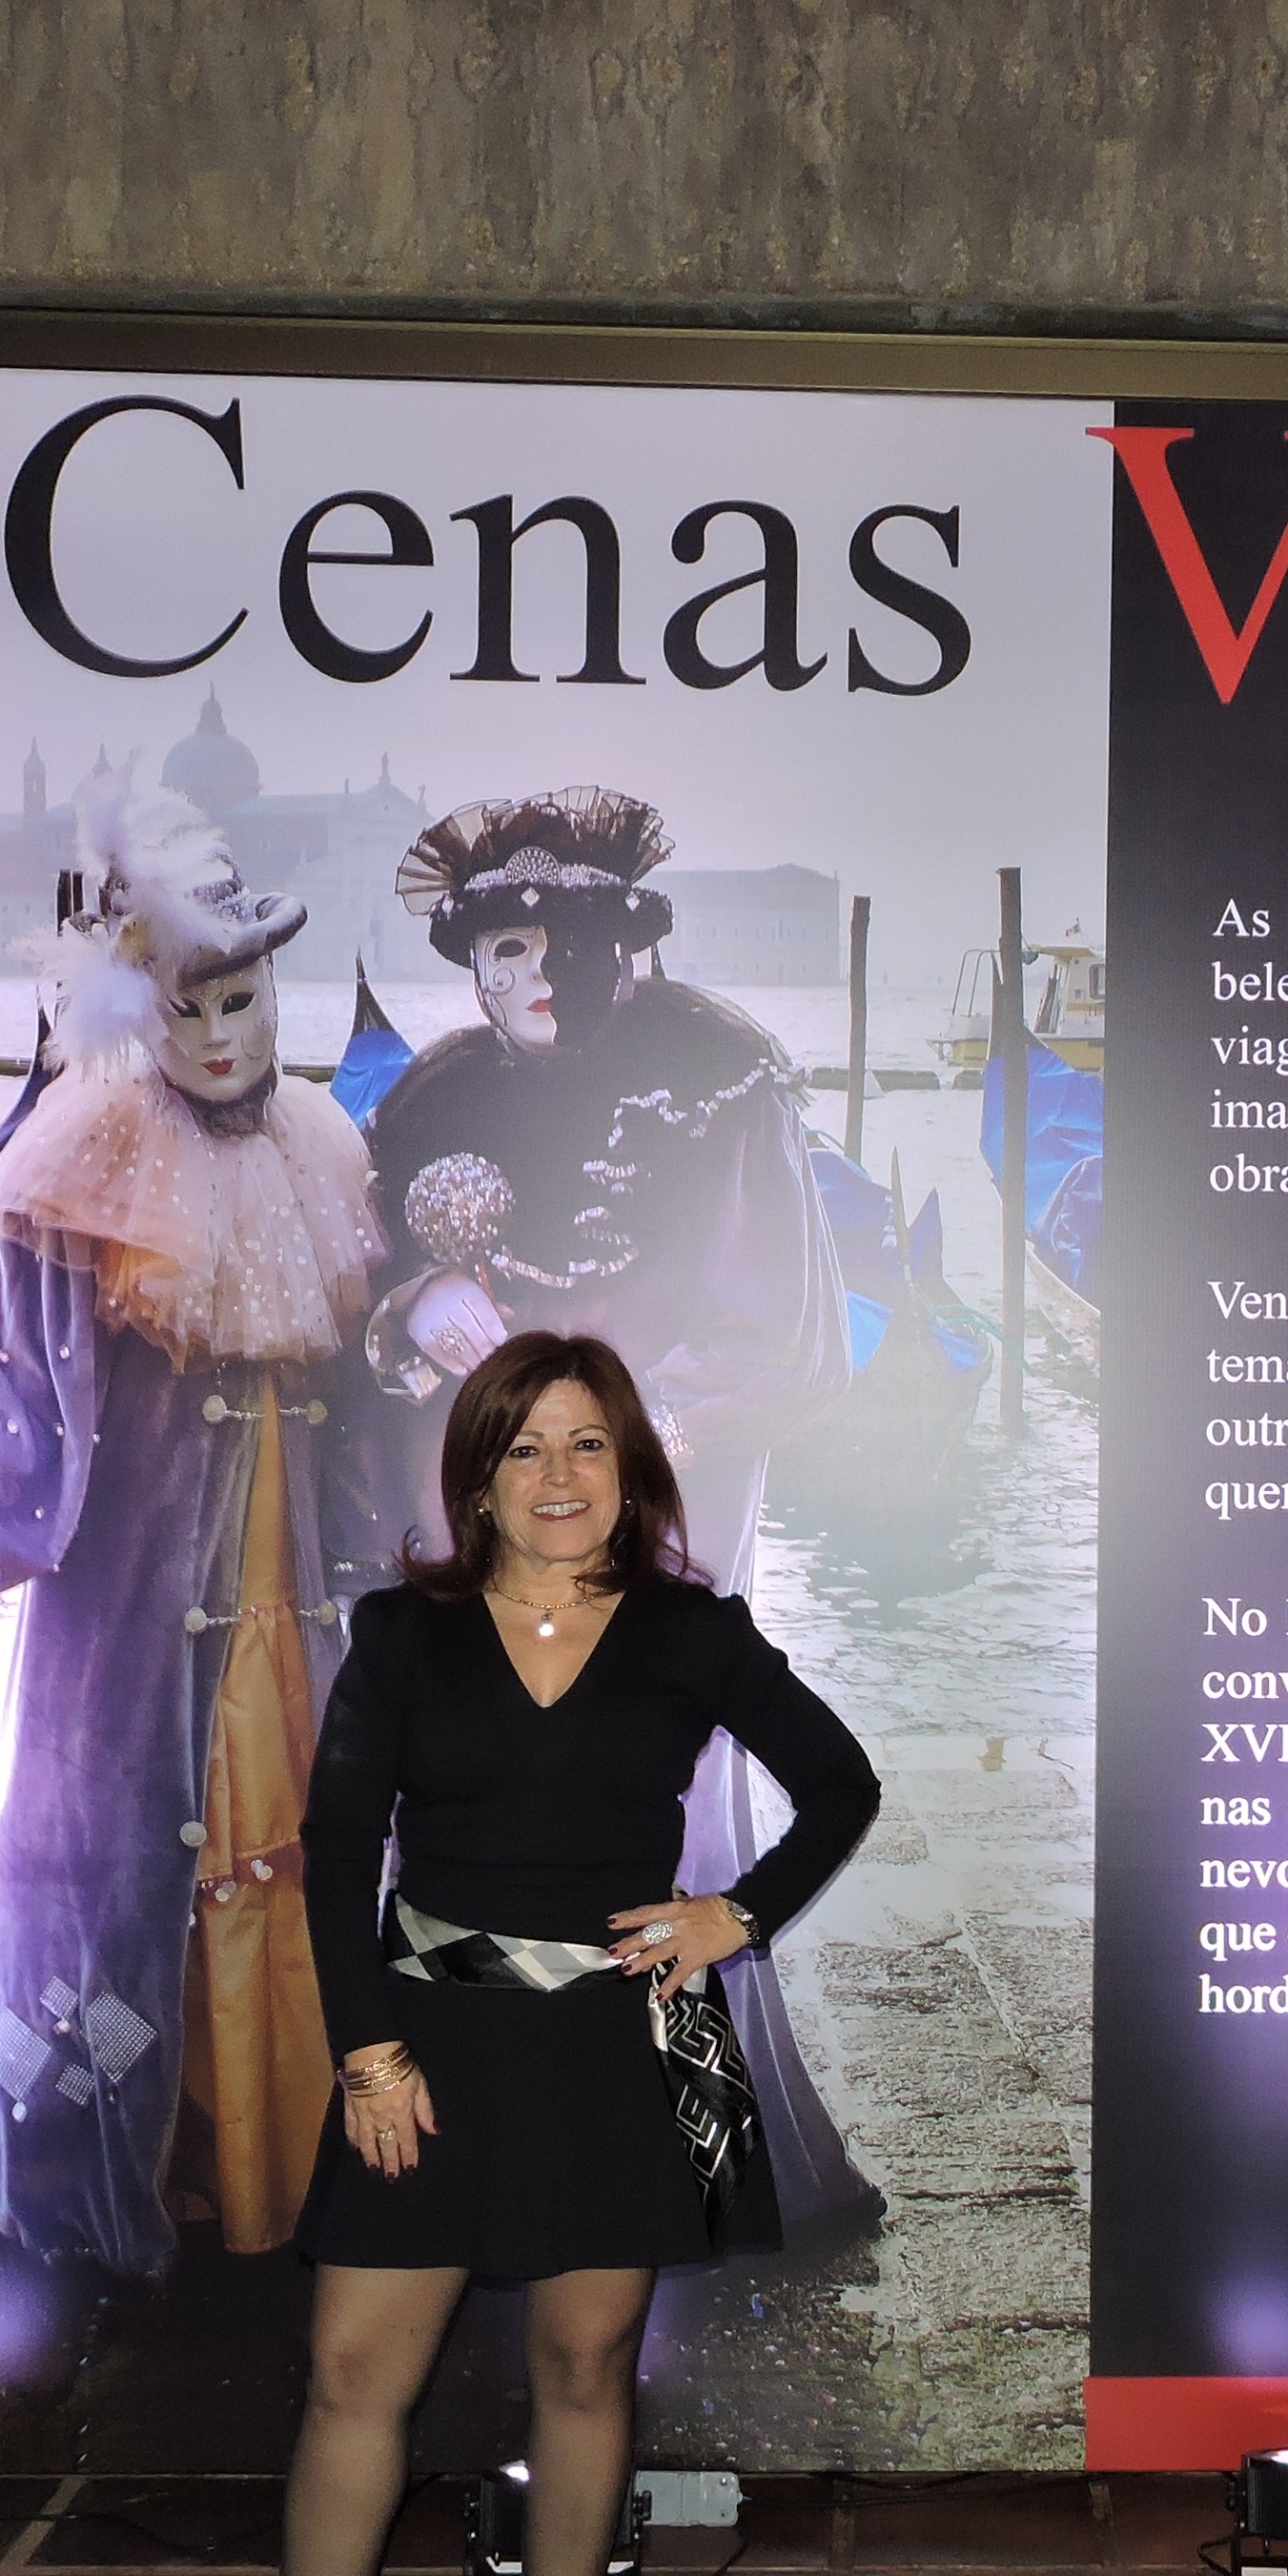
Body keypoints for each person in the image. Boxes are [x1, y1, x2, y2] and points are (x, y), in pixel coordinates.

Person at [184, 1332, 881, 2576]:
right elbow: (338, 1852)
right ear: (479, 1479)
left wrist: (736, 1913)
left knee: (584, 2367)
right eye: (524, 1446)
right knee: (352, 2376)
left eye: (587, 1443)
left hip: (625, 2048)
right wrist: (366, 2052)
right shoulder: (403, 1633)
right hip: (426, 2048)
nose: (558, 1474)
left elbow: (844, 1784)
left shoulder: (693, 1631)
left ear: (630, 1468)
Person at [342, 785, 882, 2247]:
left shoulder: (722, 1073)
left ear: (625, 943)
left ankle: (696, 2164)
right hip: (483, 1529)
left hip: (666, 1512)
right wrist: (416, 1307)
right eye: (504, 950)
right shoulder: (432, 1094)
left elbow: (785, 1332)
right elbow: (369, 1294)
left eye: (563, 946)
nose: (535, 978)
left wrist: (623, 1444)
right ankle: (487, 2144)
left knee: (668, 1821)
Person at [0, 771, 379, 2284]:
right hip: (128, 1613)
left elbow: (365, 1404)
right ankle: (141, 2162)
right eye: (189, 1008)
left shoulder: (326, 1147)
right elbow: (17, 1387)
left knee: (301, 1833)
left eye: (243, 999)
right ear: (139, 1009)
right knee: (124, 1865)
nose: (224, 1035)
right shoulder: (84, 1163)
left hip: (295, 1586)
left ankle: (297, 2161)